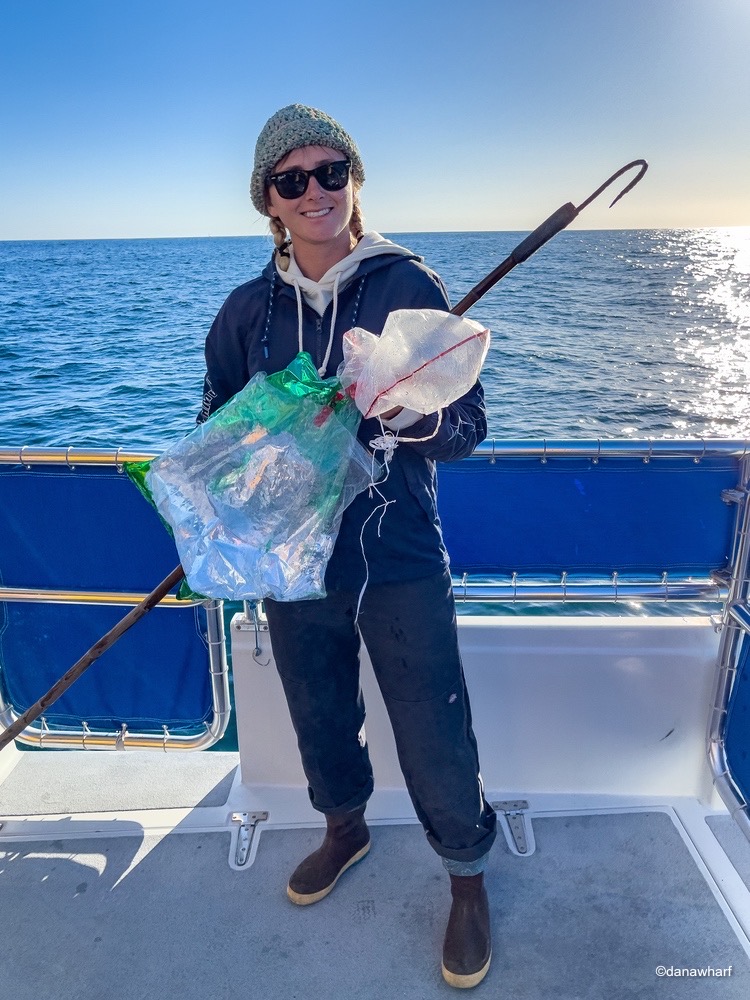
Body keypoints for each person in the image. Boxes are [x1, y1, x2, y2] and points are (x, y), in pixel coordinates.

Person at [199, 104, 496, 989]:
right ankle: (345, 827)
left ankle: (468, 874)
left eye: (331, 172)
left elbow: (469, 425)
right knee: (317, 707)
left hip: (395, 545)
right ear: (270, 202)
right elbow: (211, 425)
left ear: (354, 181)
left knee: (433, 723)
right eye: (293, 180)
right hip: (293, 558)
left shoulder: (409, 283)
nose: (315, 190)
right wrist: (252, 446)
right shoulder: (247, 312)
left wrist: (414, 417)